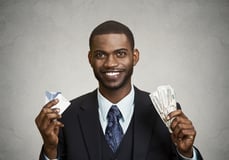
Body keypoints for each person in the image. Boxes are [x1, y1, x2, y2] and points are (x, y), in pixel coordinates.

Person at [35, 20, 203, 160]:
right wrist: (50, 150)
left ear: (135, 57)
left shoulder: (167, 113)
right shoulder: (67, 115)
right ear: (90, 58)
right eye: (100, 54)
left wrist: (186, 154)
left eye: (120, 53)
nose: (110, 63)